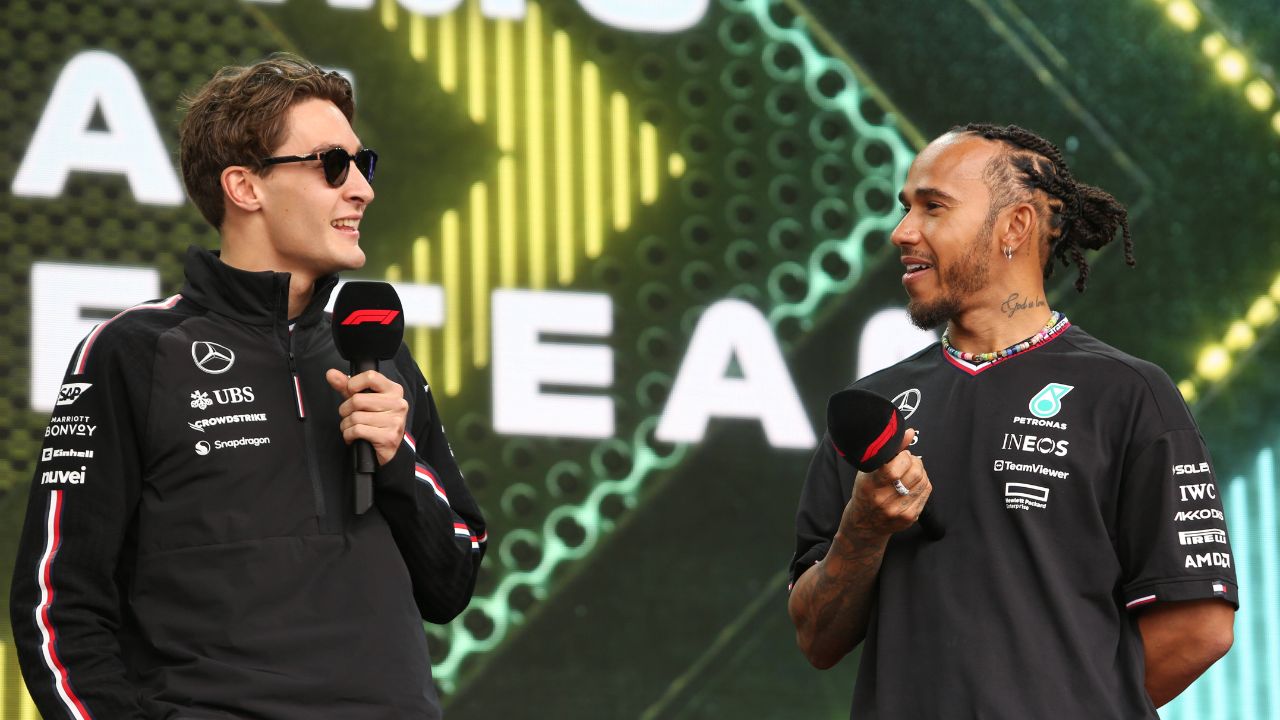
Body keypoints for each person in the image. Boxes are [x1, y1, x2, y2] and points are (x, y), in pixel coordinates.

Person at [10, 54, 486, 719]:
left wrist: (395, 461)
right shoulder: (134, 351)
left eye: (364, 164)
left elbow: (453, 581)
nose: (362, 190)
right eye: (332, 165)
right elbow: (56, 602)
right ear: (245, 187)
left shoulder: (381, 360)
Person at [787, 123, 1236, 718]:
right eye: (905, 209)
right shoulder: (875, 408)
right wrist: (864, 531)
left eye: (933, 207)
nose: (903, 232)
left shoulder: (1128, 393)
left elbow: (1199, 627)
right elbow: (817, 638)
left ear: (1015, 226)